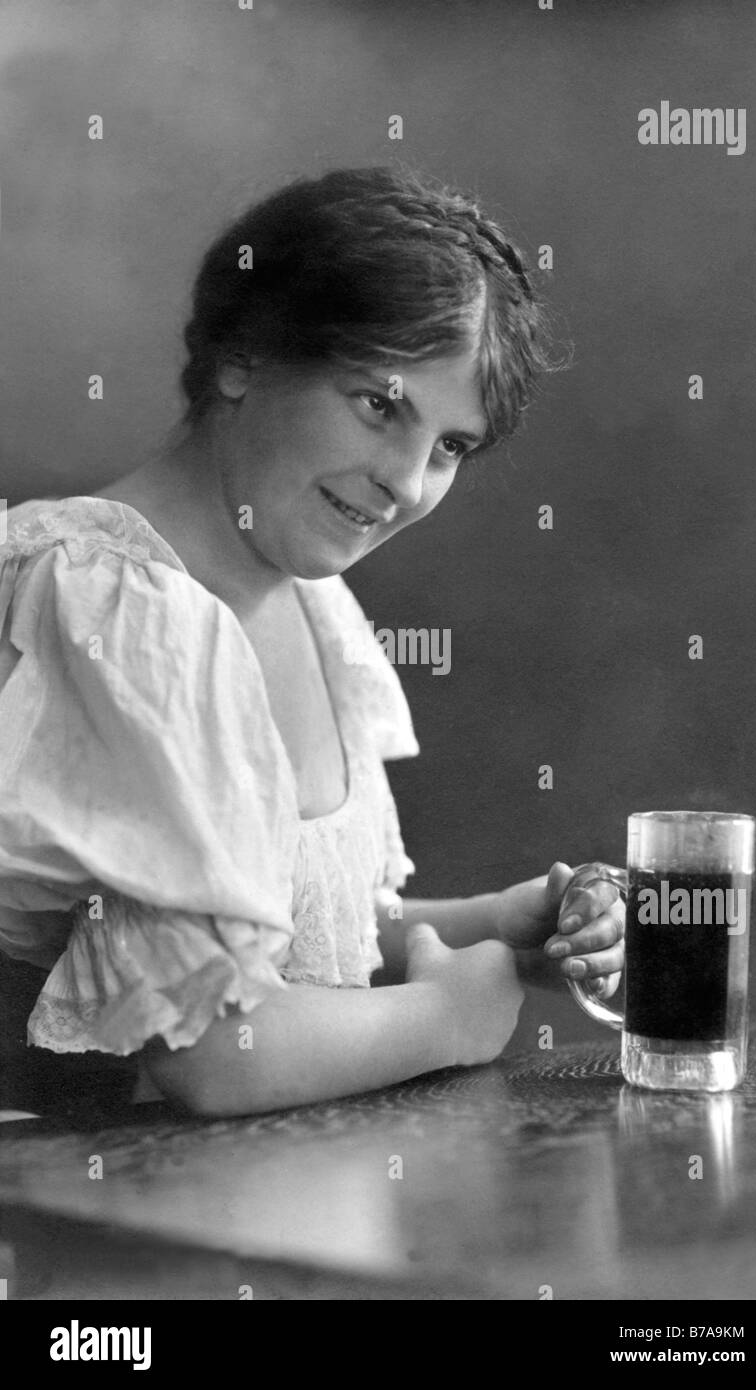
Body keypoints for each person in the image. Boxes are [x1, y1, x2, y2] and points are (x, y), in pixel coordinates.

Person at [0, 166, 624, 1120]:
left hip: (260, 1217)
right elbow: (210, 1053)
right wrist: (444, 1019)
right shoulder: (112, 605)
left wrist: (494, 929)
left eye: (451, 446)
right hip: (78, 1228)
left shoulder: (311, 598)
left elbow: (278, 944)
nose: (406, 484)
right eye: (380, 405)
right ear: (243, 355)